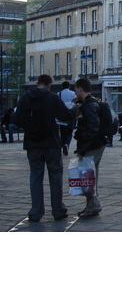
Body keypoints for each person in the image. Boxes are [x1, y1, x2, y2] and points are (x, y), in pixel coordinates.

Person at [15, 74, 76, 222]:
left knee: (35, 175)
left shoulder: (25, 98)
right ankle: (58, 210)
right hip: (51, 142)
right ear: (49, 85)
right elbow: (65, 116)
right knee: (55, 175)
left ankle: (36, 211)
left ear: (38, 83)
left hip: (32, 143)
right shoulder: (52, 98)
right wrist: (75, 107)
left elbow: (16, 120)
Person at [73, 77, 107, 218]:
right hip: (96, 144)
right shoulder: (91, 103)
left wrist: (83, 147)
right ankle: (90, 206)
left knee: (88, 177)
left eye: (76, 90)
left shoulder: (89, 106)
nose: (75, 92)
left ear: (80, 89)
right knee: (89, 177)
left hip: (92, 146)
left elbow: (93, 127)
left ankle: (93, 206)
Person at [57, 81, 77, 155]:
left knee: (62, 131)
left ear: (62, 86)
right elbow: (76, 103)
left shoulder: (59, 94)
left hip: (62, 115)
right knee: (69, 131)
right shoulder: (73, 93)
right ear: (69, 86)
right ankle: (66, 144)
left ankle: (63, 144)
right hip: (71, 114)